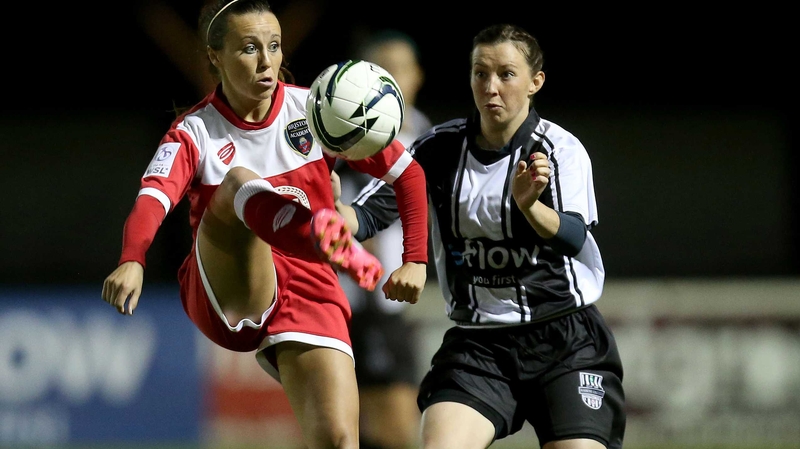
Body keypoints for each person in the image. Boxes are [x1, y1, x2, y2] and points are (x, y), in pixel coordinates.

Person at [100, 1, 429, 448]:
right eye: (248, 48)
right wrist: (132, 258)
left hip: (308, 285)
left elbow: (408, 173)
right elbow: (153, 198)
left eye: (273, 46)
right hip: (228, 284)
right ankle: (324, 241)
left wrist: (415, 260)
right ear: (215, 57)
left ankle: (322, 243)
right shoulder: (195, 132)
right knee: (238, 183)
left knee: (337, 439)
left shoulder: (314, 109)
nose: (266, 61)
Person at [334, 23, 626, 448]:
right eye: (480, 73)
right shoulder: (437, 149)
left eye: (506, 74)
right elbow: (370, 213)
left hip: (566, 339)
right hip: (479, 345)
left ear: (534, 83)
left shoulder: (560, 150)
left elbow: (574, 235)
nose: (491, 87)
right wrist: (335, 216)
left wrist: (529, 207)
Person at [332, 29, 433, 449]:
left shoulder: (428, 135)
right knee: (376, 425)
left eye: (400, 69)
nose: (391, 78)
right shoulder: (344, 128)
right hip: (353, 297)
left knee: (374, 424)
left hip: (396, 299)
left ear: (417, 77)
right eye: (381, 69)